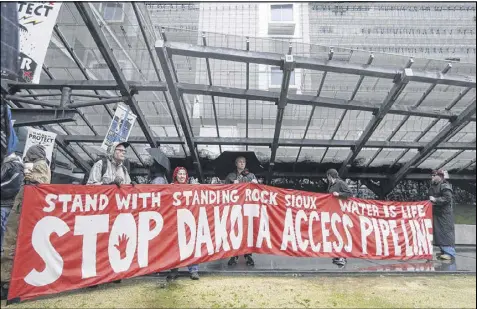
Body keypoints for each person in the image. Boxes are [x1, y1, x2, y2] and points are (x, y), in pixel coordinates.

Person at [1, 145, 51, 300]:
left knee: (11, 245)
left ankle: (7, 284)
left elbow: (39, 183)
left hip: (22, 213)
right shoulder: (41, 166)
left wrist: (29, 177)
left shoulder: (39, 166)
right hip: (27, 213)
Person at [86, 142, 130, 288]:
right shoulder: (101, 164)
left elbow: (127, 189)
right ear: (112, 151)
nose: (123, 153)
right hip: (100, 213)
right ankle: (94, 277)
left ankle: (112, 273)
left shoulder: (123, 169)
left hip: (116, 215)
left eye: (124, 151)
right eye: (120, 150)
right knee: (98, 245)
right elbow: (90, 186)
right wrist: (109, 185)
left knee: (114, 244)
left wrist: (132, 187)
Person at [167, 166, 200, 281]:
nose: (182, 176)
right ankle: (174, 270)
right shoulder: (170, 188)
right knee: (174, 246)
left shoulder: (191, 188)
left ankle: (194, 270)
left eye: (184, 174)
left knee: (191, 244)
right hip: (174, 222)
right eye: (180, 174)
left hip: (188, 221)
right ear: (175, 175)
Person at [225, 156, 258, 267]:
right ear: (236, 163)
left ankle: (248, 255)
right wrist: (231, 185)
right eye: (240, 161)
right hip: (235, 207)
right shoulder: (231, 176)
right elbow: (223, 190)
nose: (242, 163)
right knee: (234, 230)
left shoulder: (251, 175)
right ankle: (234, 255)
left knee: (247, 231)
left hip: (248, 208)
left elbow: (258, 191)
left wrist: (256, 183)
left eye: (244, 161)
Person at [326, 168, 353, 268]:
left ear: (330, 175)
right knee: (334, 234)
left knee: (340, 234)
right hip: (332, 213)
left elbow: (350, 193)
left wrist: (339, 194)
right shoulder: (331, 185)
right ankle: (337, 255)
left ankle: (343, 256)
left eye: (327, 176)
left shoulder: (340, 183)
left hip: (340, 213)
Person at [429, 169, 456, 261]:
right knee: (439, 233)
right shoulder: (434, 185)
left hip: (445, 215)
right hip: (437, 213)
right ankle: (443, 251)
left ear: (439, 176)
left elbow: (447, 198)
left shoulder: (445, 186)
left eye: (434, 175)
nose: (432, 177)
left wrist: (435, 200)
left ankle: (450, 253)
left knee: (446, 233)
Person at [1, 149, 23, 253]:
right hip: (8, 203)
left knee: (3, 227)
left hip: (5, 203)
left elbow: (13, 185)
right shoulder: (16, 165)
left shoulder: (11, 165)